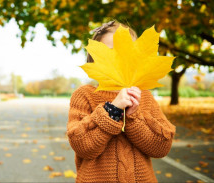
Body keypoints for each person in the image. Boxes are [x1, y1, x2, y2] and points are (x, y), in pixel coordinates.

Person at [66, 20, 176, 183]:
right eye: (110, 52)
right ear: (94, 58)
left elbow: (161, 147)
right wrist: (112, 111)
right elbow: (82, 146)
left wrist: (134, 117)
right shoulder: (84, 95)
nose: (119, 58)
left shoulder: (143, 96)